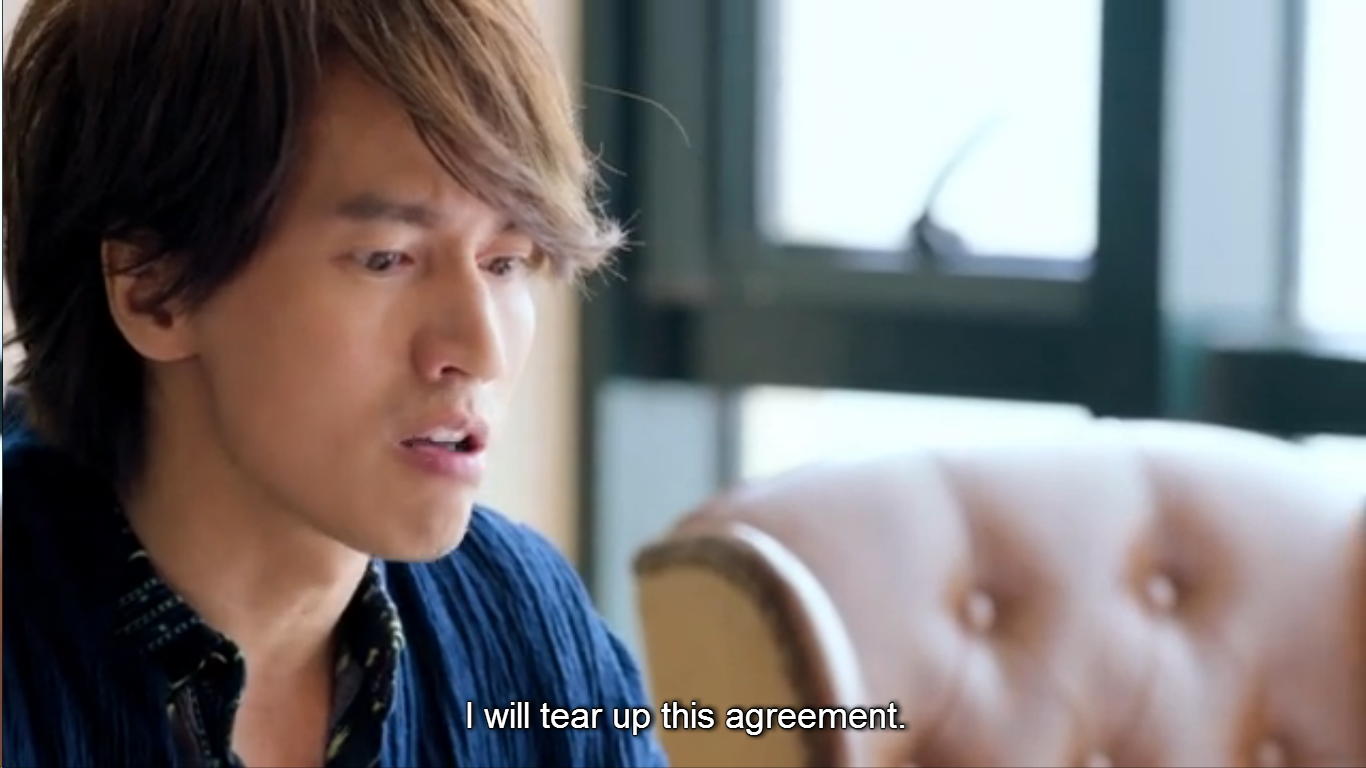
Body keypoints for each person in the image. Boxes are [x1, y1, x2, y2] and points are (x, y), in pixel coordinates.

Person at [1, 1, 669, 766]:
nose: (480, 349)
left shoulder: (523, 623)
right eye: (387, 259)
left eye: (505, 262)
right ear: (153, 288)